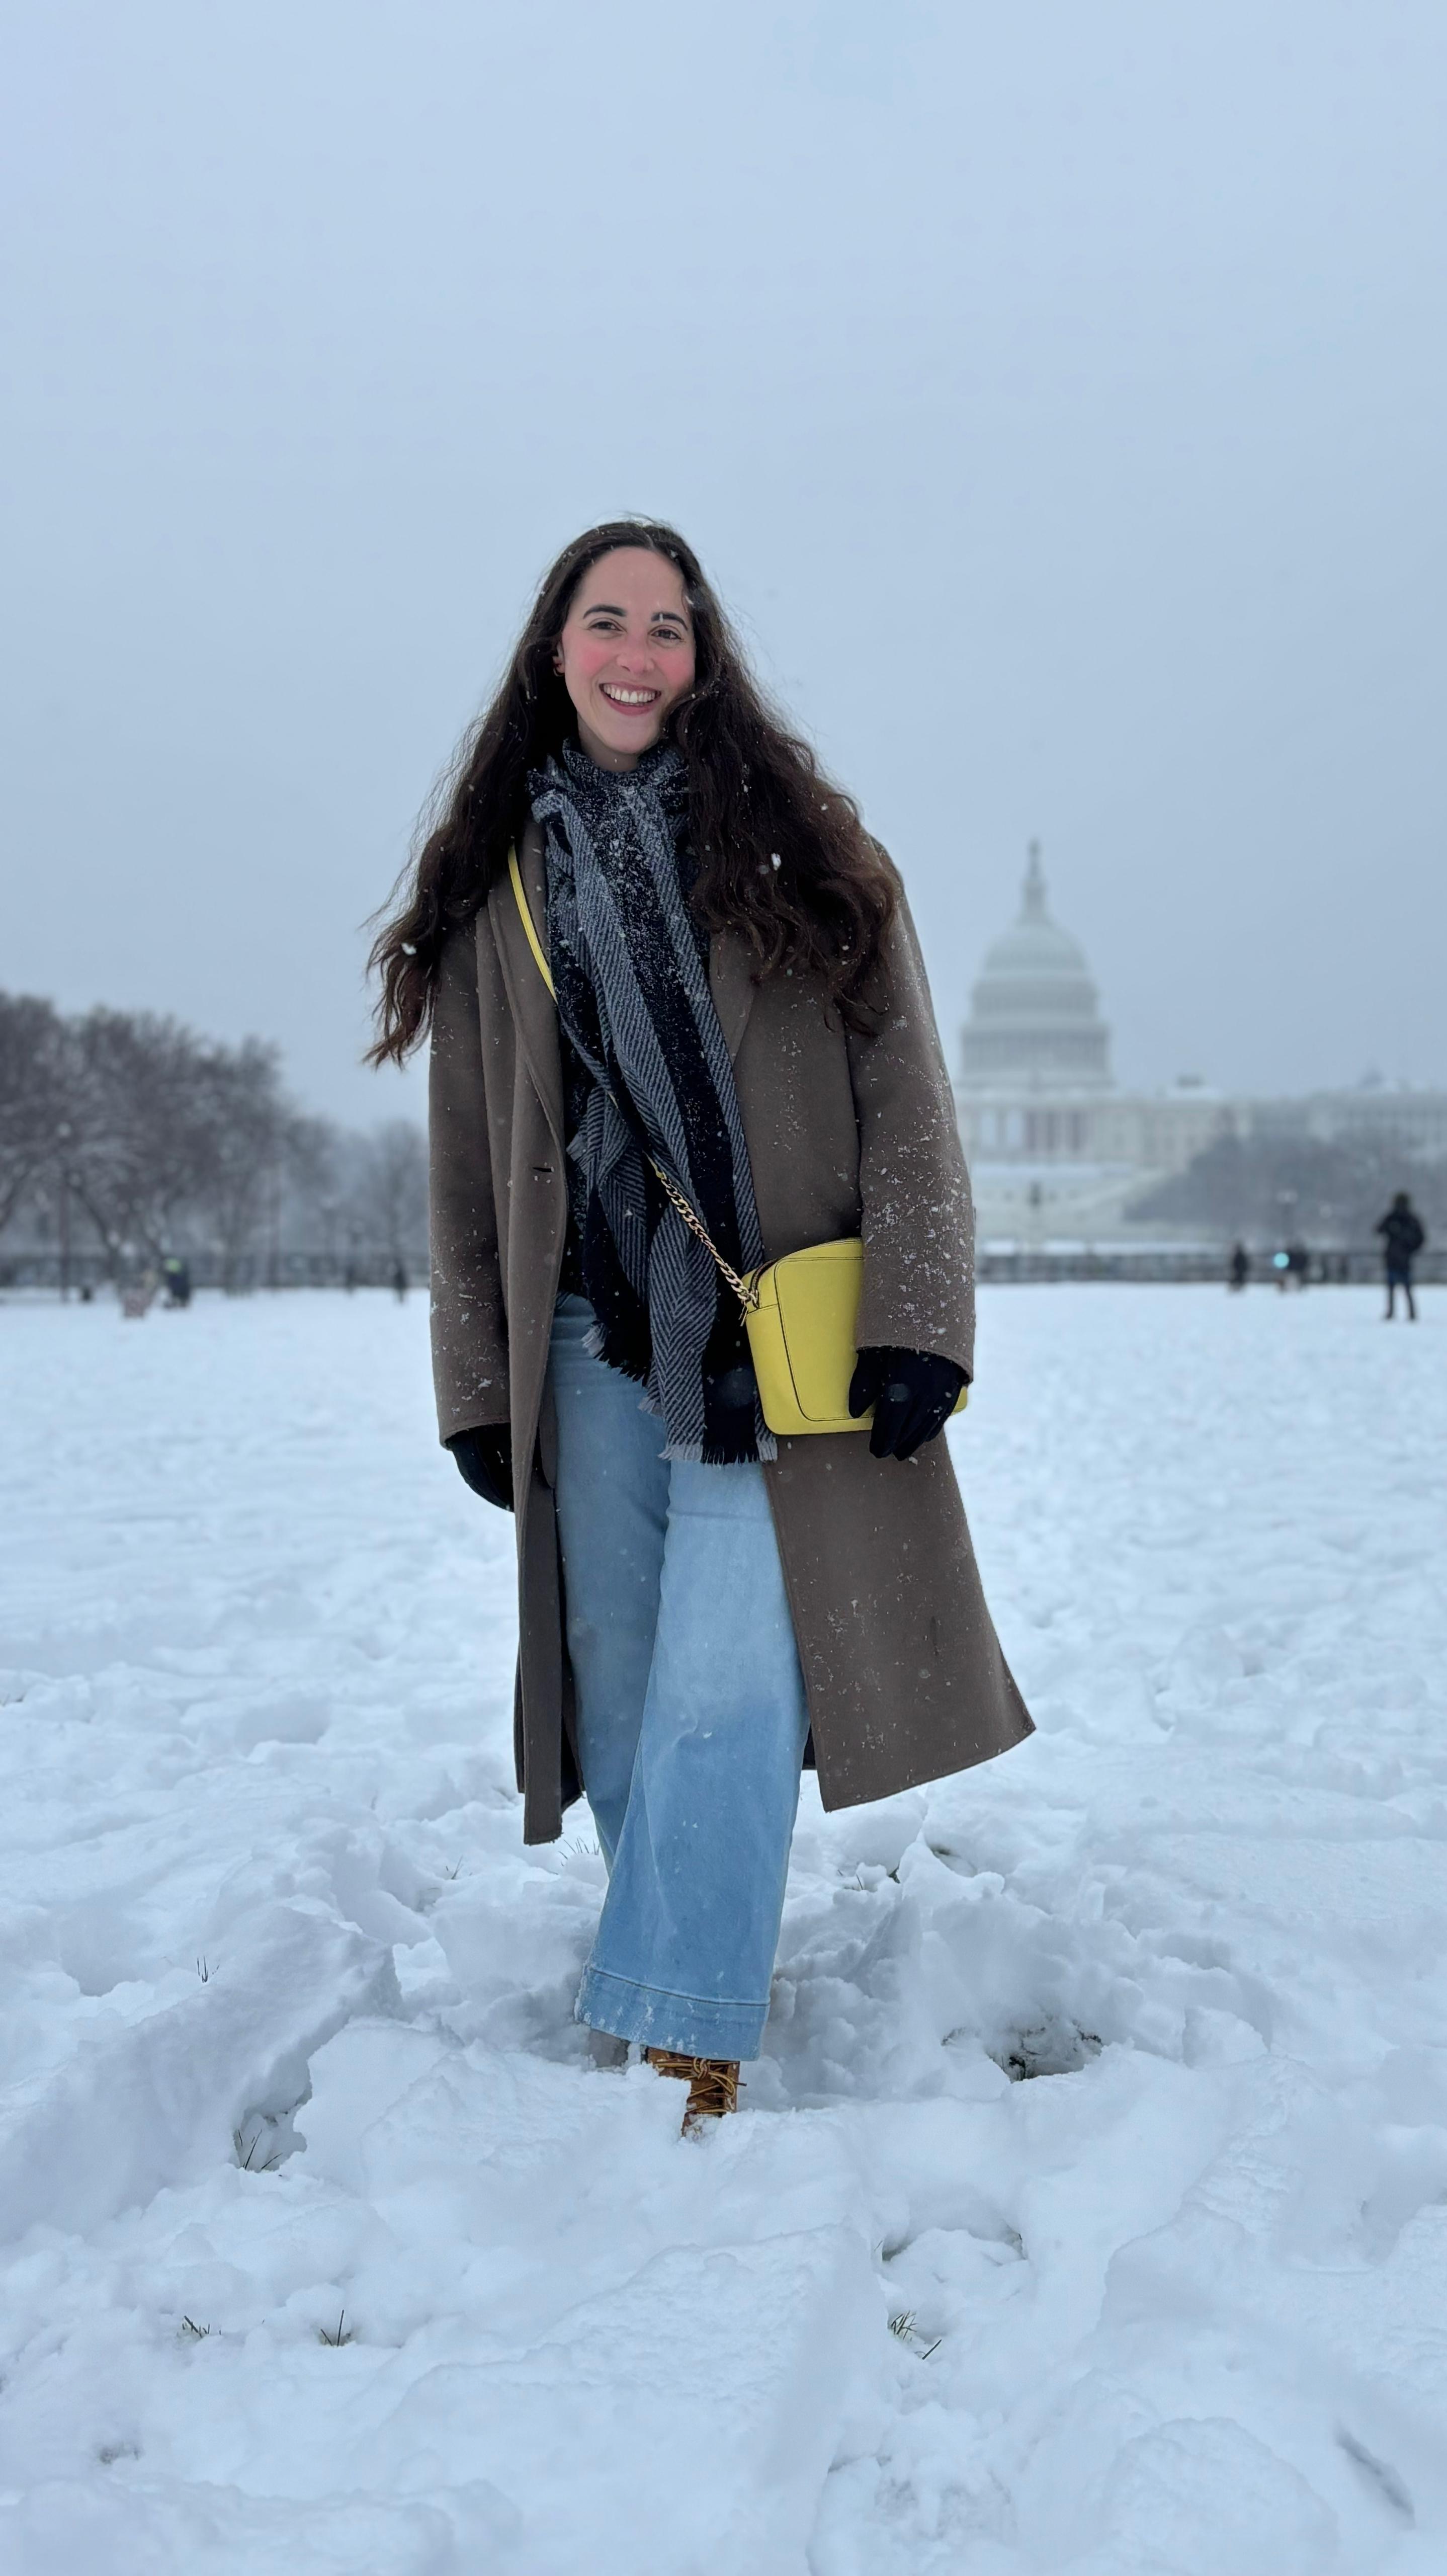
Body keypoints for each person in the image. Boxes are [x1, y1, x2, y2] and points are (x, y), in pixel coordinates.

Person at [367, 520, 1033, 2132]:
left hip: (771, 1331)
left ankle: (687, 2015)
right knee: (616, 1674)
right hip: (589, 1334)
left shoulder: (803, 845)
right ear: (554, 649)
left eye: (669, 627)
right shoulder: (496, 887)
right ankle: (687, 1947)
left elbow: (906, 1095)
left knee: (731, 1678)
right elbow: (469, 1162)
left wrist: (920, 1318)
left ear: (703, 654)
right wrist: (474, 1383)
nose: (638, 655)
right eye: (609, 622)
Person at [1375, 1190, 1425, 1321]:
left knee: (1397, 1288)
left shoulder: (1397, 1218)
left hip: (1397, 1258)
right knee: (1404, 1288)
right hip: (1401, 1258)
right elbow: (1379, 1230)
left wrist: (1409, 1246)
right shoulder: (1408, 1219)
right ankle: (1408, 1313)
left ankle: (1397, 1312)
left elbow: (1378, 1230)